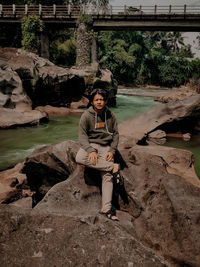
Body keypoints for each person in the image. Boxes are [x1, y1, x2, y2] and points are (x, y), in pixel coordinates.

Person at [76, 88, 123, 221]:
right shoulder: (86, 116)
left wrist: (112, 150)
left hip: (106, 147)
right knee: (79, 157)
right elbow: (82, 136)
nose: (99, 102)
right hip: (91, 145)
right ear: (92, 101)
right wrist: (90, 150)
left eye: (101, 99)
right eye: (96, 100)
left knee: (107, 176)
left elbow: (116, 135)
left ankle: (106, 209)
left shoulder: (111, 115)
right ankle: (112, 167)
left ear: (106, 101)